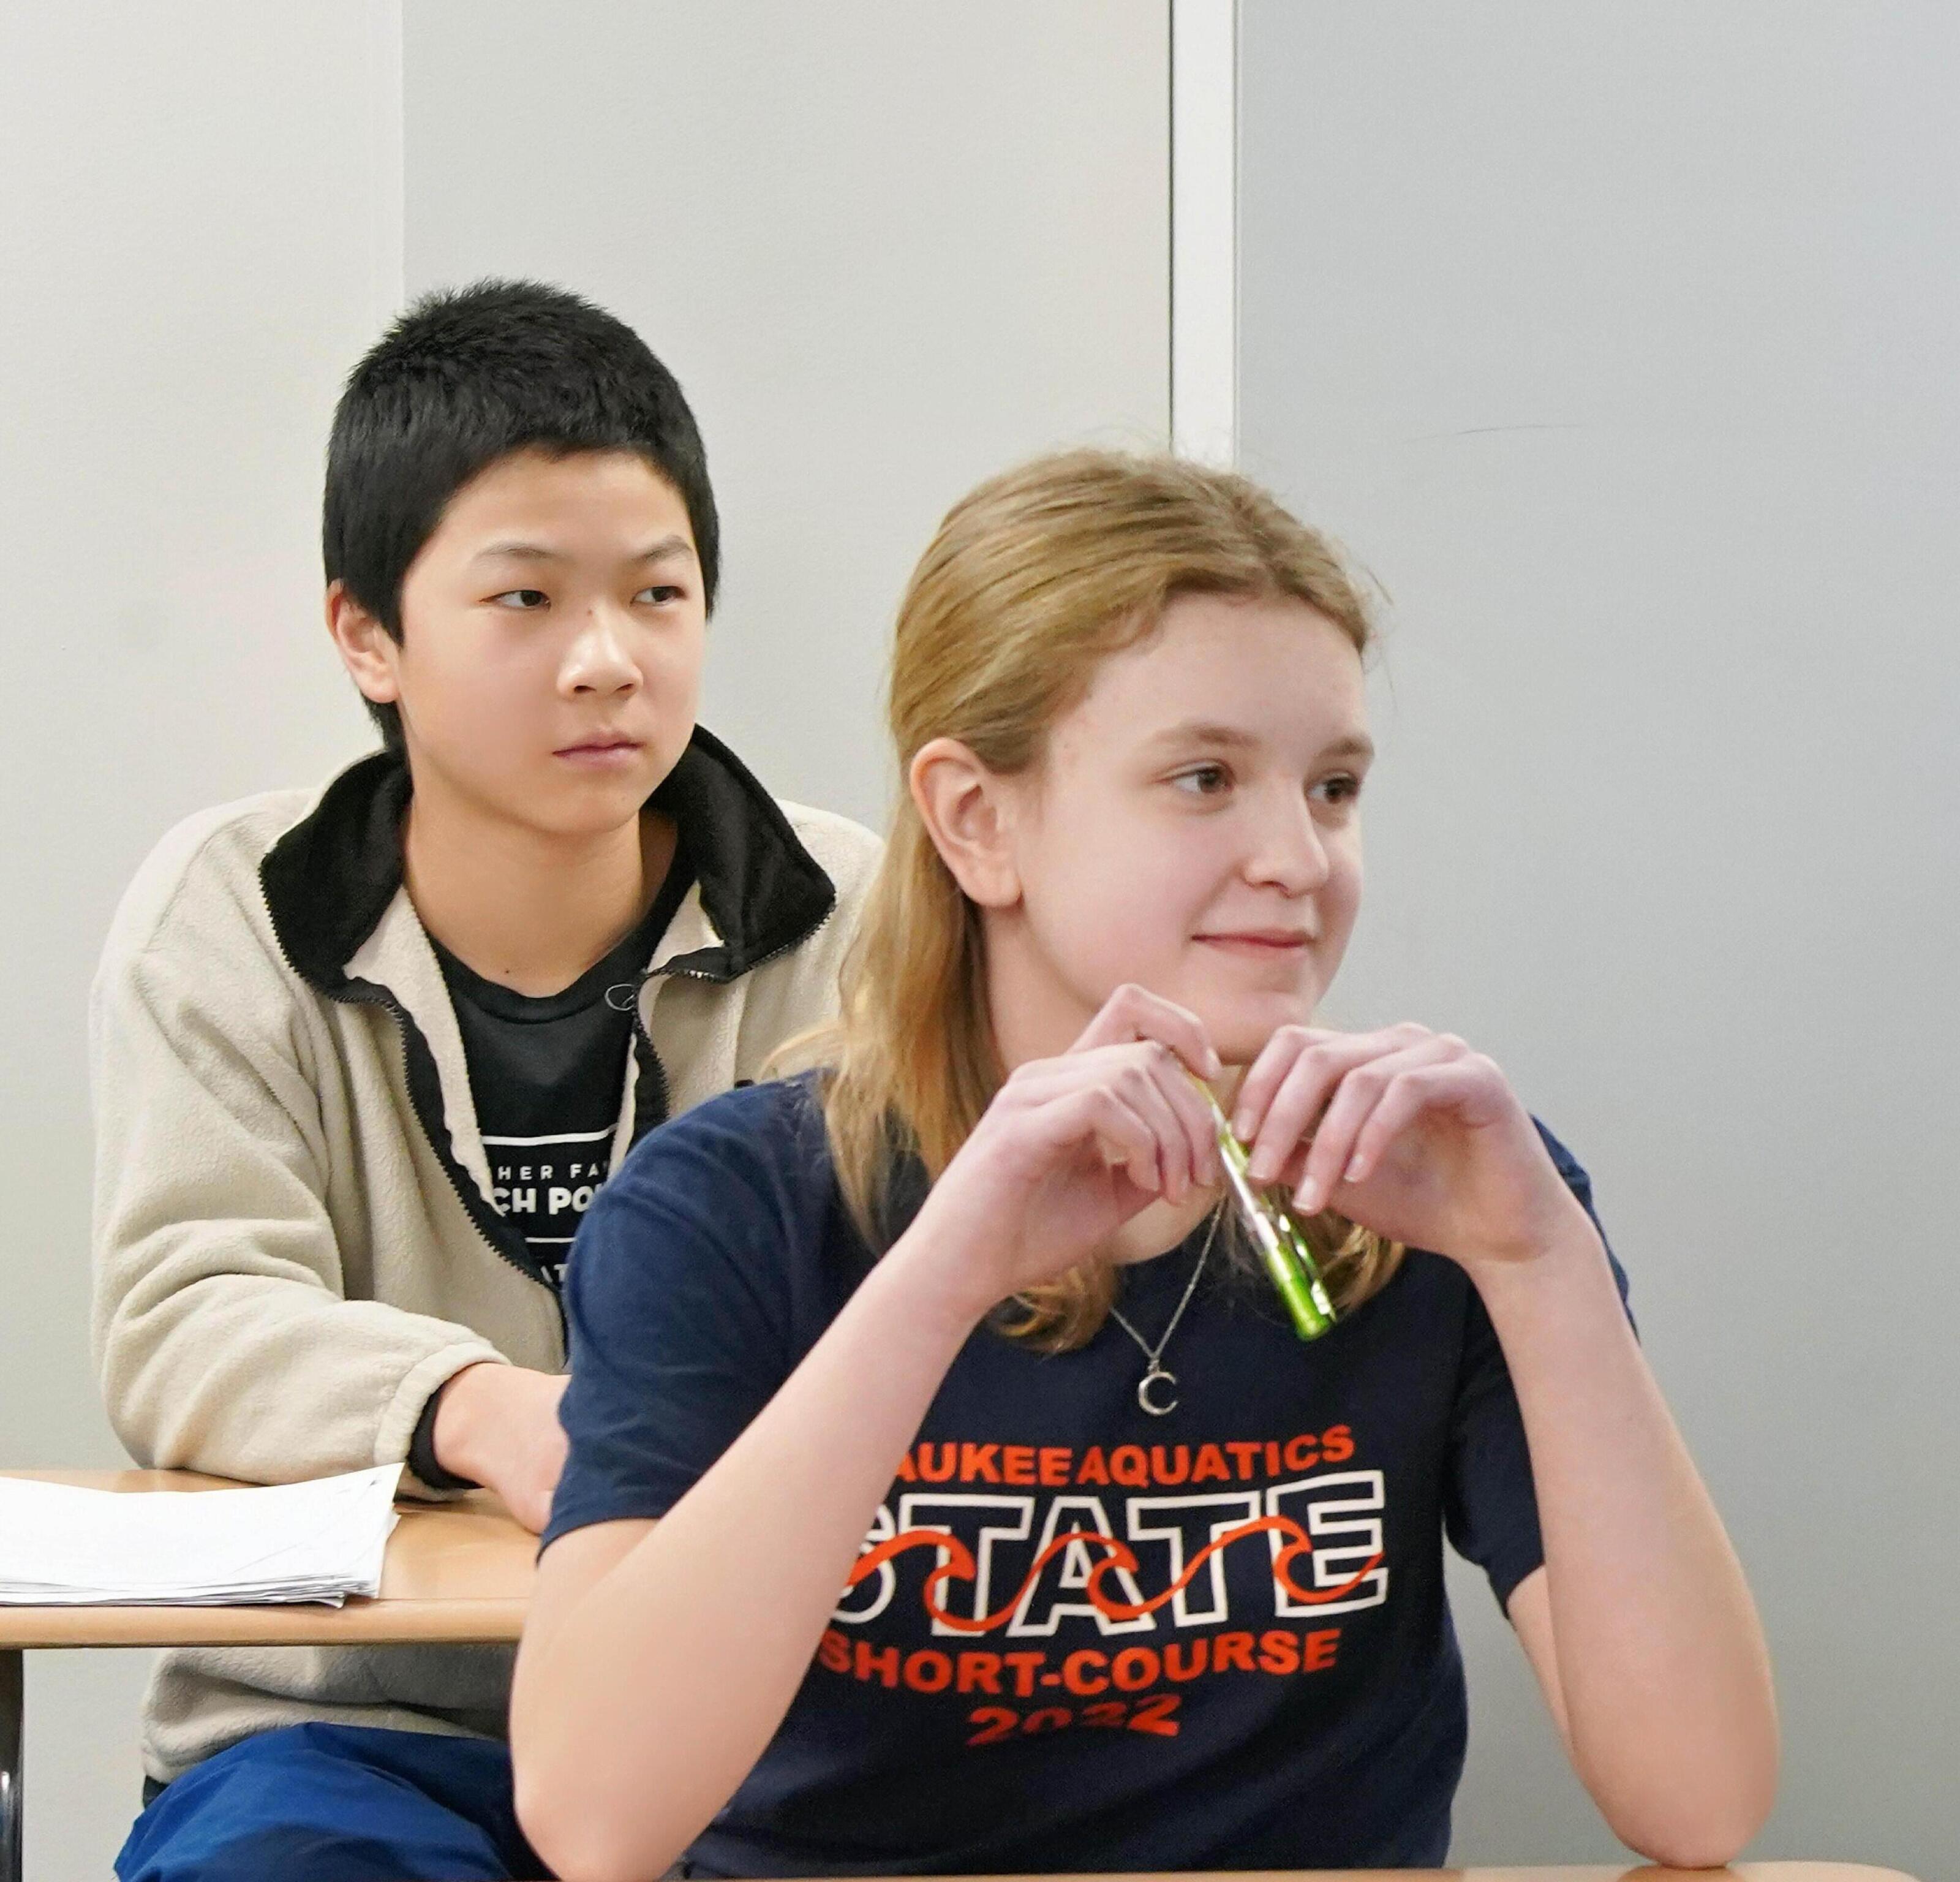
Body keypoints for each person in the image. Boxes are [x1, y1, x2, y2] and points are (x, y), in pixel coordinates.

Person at [505, 450, 1776, 1879]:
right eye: (1203, 778)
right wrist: (946, 1269)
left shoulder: (1456, 1196)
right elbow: (596, 1822)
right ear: (978, 820)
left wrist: (1541, 1266)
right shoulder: (724, 1209)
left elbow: (1699, 1807)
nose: (1298, 857)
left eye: (1335, 788)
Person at [97, 280, 875, 1882]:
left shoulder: (846, 914)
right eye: (525, 602)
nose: (608, 662)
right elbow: (187, 1313)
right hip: (353, 1735)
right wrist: (473, 1411)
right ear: (366, 635)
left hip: (750, 1721)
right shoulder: (232, 911)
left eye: (659, 596)